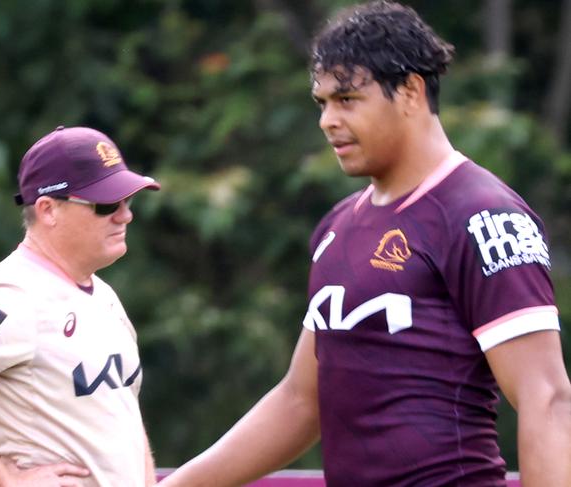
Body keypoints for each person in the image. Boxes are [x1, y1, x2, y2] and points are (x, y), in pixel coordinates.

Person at [157, 1, 571, 486]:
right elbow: (301, 401)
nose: (327, 120)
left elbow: (546, 397)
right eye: (322, 102)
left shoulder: (483, 215)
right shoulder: (337, 227)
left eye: (347, 99)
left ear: (411, 92)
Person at [0, 125, 161, 487]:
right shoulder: (14, 296)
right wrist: (6, 481)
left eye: (128, 201)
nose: (125, 215)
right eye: (107, 204)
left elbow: (122, 417)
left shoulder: (104, 296)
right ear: (48, 209)